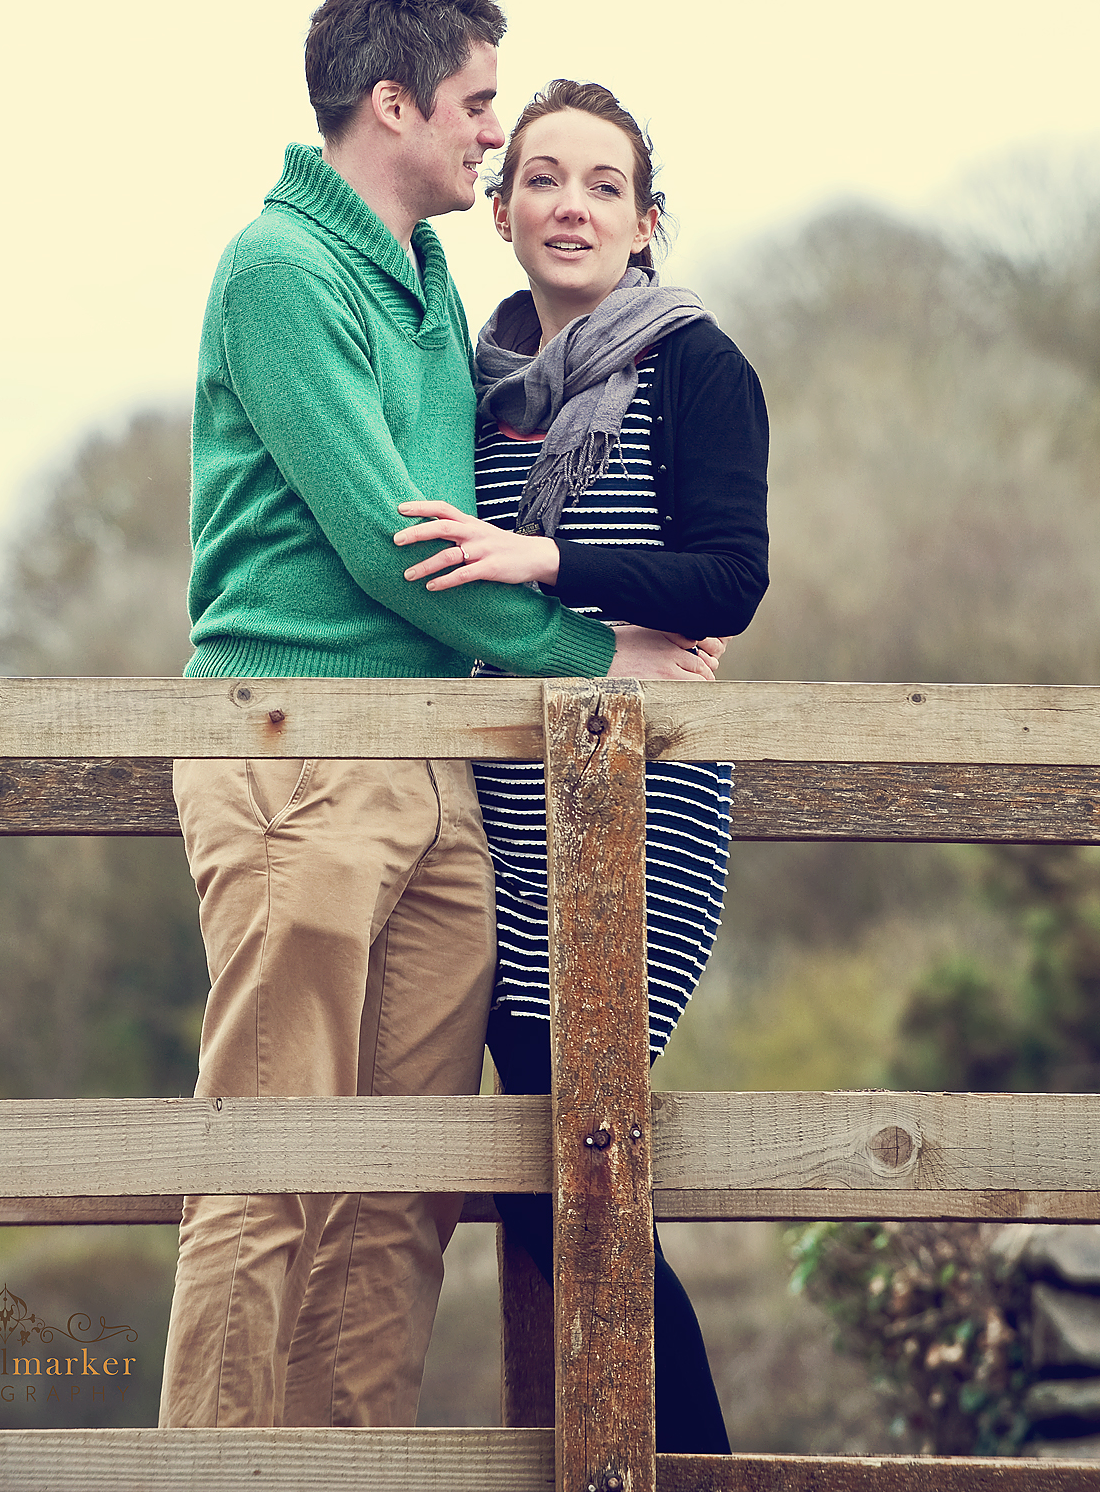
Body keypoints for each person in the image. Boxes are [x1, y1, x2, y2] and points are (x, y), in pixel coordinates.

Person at [159, 0, 696, 1434]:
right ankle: (206, 1478)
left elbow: (470, 533)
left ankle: (350, 1470)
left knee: (407, 1187)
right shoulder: (281, 271)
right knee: (270, 1167)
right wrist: (598, 662)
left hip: (431, 758)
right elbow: (390, 543)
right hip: (296, 751)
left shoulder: (420, 279)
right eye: (475, 107)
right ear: (390, 104)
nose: (489, 138)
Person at [394, 78, 770, 1453]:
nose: (572, 205)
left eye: (604, 185)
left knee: (581, 1155)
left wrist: (546, 561)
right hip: (494, 806)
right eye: (543, 178)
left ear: (647, 220)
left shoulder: (696, 366)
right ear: (500, 212)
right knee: (537, 1169)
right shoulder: (472, 392)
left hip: (645, 807)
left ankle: (685, 1469)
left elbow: (728, 578)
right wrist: (591, 633)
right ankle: (624, 1463)